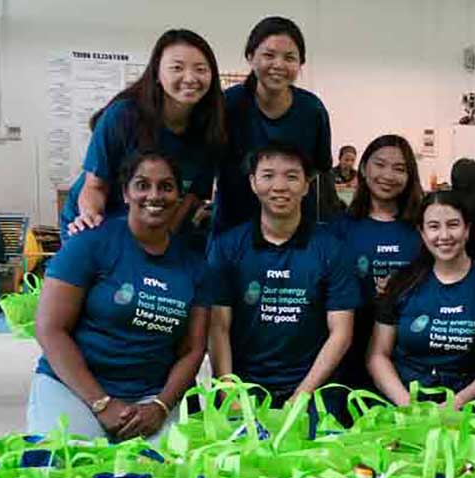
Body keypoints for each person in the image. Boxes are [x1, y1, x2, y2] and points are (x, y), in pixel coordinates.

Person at [31, 151, 211, 440]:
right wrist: (101, 403)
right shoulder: (89, 244)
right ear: (125, 193)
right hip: (74, 388)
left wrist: (162, 406)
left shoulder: (195, 265)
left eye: (166, 187)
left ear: (179, 196)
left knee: (164, 476)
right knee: (72, 469)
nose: (154, 195)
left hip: (151, 397)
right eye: (142, 185)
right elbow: (49, 329)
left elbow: (193, 350)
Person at [207, 143, 358, 407]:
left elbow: (341, 332)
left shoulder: (332, 249)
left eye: (291, 176)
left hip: (313, 390)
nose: (279, 186)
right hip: (245, 389)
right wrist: (229, 393)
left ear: (307, 184)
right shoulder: (227, 246)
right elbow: (218, 326)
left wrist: (301, 397)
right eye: (268, 176)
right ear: (253, 183)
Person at [61, 29, 226, 240]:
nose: (190, 78)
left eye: (201, 69)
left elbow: (192, 197)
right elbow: (95, 185)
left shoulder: (210, 125)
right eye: (177, 68)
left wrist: (163, 237)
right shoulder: (123, 116)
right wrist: (91, 221)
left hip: (152, 227)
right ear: (157, 74)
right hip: (99, 219)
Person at [368, 190, 475, 408]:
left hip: (471, 408)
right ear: (422, 232)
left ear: (467, 229)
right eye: (434, 226)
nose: (444, 235)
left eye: (453, 224)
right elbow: (377, 355)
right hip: (404, 404)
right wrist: (407, 404)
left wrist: (459, 402)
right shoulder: (401, 283)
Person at [213, 16, 335, 233]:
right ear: (250, 57)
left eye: (289, 58)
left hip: (293, 231)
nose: (278, 65)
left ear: (300, 63)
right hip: (234, 228)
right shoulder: (227, 106)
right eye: (269, 55)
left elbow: (319, 169)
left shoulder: (312, 110)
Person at [334, 135, 424, 394]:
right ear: (363, 168)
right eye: (380, 164)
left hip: (406, 352)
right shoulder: (340, 227)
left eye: (399, 169)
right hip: (350, 346)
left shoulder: (422, 228)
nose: (388, 175)